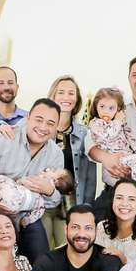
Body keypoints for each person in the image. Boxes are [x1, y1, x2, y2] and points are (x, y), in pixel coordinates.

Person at [0, 99, 65, 263]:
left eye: (50, 123)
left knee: (42, 263)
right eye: (38, 120)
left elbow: (54, 200)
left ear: (56, 127)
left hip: (26, 217)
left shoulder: (56, 155)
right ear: (28, 118)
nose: (43, 127)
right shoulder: (3, 139)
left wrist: (50, 191)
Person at [88, 56, 136, 217]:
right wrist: (105, 156)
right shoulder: (114, 108)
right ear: (129, 78)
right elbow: (90, 141)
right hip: (112, 190)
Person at [41, 75, 96, 246]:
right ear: (53, 96)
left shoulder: (85, 133)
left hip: (70, 201)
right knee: (41, 248)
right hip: (41, 199)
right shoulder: (41, 128)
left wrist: (86, 207)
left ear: (77, 99)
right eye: (61, 92)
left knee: (67, 248)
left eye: (71, 93)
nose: (66, 97)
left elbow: (90, 176)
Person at [86, 87, 136, 185]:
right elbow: (108, 137)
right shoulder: (96, 124)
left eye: (111, 108)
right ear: (96, 106)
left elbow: (130, 136)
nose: (106, 111)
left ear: (118, 109)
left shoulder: (120, 122)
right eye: (102, 107)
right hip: (115, 157)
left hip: (127, 155)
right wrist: (117, 121)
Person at [94, 178, 136, 264]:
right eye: (119, 198)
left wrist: (124, 259)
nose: (124, 204)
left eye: (131, 199)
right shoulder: (102, 228)